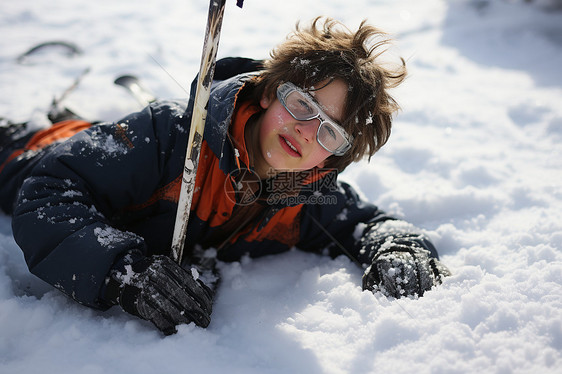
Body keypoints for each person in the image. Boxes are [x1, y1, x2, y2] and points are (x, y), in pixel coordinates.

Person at [0, 17, 450, 335]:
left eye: (330, 133)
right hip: (25, 155)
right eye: (301, 105)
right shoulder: (172, 135)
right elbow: (48, 191)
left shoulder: (301, 191)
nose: (305, 130)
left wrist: (399, 246)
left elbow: (364, 222)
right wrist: (126, 271)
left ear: (333, 160)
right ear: (273, 92)